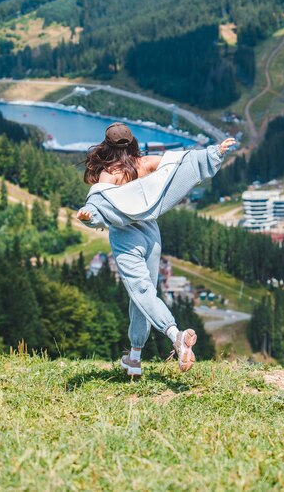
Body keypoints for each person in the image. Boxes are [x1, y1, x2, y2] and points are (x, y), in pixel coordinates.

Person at [77, 122, 235, 376]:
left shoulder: (109, 173)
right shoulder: (145, 163)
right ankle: (135, 358)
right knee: (142, 296)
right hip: (152, 236)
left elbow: (97, 206)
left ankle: (176, 335)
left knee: (141, 291)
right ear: (132, 143)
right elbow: (180, 165)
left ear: (107, 146)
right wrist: (213, 152)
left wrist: (88, 216)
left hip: (127, 240)